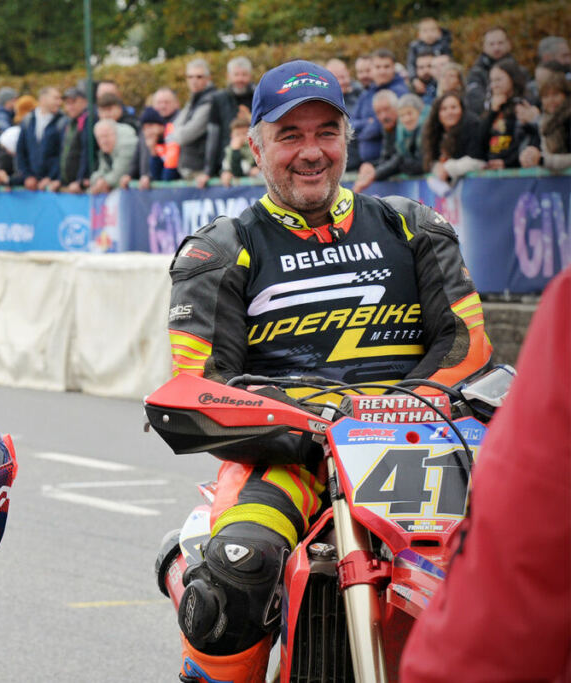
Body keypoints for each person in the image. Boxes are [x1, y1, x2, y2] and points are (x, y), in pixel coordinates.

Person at [164, 59, 492, 683]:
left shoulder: (413, 225)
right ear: (256, 146)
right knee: (238, 569)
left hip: (422, 449)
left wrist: (387, 412)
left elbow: (468, 348)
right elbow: (202, 382)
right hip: (289, 458)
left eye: (326, 133)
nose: (311, 152)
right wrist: (313, 421)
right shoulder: (219, 248)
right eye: (290, 135)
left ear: (347, 138)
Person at [399, 266, 571, 683]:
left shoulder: (415, 232)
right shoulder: (242, 243)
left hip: (416, 431)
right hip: (287, 447)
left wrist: (396, 406)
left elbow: (464, 344)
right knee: (248, 561)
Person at [353, 91, 425, 192]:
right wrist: (370, 167)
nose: (383, 116)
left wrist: (374, 174)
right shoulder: (387, 128)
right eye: (378, 112)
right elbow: (387, 159)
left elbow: (400, 159)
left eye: (387, 109)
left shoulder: (408, 125)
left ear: (397, 108)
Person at [477, 60, 538, 169]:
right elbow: (479, 141)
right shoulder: (491, 107)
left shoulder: (524, 104)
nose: (494, 85)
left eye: (498, 80)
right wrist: (492, 112)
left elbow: (527, 140)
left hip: (515, 169)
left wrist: (507, 163)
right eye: (491, 81)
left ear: (512, 78)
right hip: (491, 168)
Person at [167, 58, 218, 187]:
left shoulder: (210, 100)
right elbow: (174, 126)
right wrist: (175, 132)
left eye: (199, 77)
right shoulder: (194, 99)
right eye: (190, 77)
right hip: (191, 168)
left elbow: (183, 136)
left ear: (208, 78)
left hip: (202, 170)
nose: (194, 81)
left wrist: (175, 133)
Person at [353, 48, 409, 164]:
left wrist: (362, 135)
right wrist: (368, 122)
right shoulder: (366, 94)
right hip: (365, 164)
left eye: (386, 67)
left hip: (390, 162)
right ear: (372, 69)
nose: (382, 71)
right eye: (378, 67)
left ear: (393, 68)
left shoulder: (400, 92)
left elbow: (381, 126)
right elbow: (350, 123)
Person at [422, 91, 484, 184]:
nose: (449, 112)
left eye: (454, 107)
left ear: (462, 109)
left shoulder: (473, 125)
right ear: (437, 114)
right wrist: (437, 167)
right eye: (444, 109)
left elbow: (478, 160)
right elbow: (430, 161)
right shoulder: (435, 133)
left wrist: (448, 168)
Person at [466, 27, 529, 115]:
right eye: (491, 44)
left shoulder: (521, 71)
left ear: (509, 44)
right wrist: (492, 105)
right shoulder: (476, 73)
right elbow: (474, 100)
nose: (496, 48)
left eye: (500, 43)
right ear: (484, 46)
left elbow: (529, 96)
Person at [517, 73, 571, 171]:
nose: (551, 100)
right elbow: (545, 155)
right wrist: (530, 156)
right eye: (546, 96)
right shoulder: (545, 122)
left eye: (555, 94)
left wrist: (541, 160)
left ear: (566, 96)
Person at [15, 86, 65, 191]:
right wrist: (28, 176)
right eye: (56, 98)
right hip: (32, 185)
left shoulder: (62, 121)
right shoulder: (28, 120)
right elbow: (21, 151)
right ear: (43, 99)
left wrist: (51, 177)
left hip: (53, 186)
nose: (60, 102)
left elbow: (62, 154)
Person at [325, 58, 364, 171]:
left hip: (359, 164)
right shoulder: (321, 103)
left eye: (344, 77)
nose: (341, 82)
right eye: (337, 78)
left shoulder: (361, 95)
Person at [87, 118, 137, 194]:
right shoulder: (105, 151)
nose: (104, 141)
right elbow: (102, 171)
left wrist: (103, 182)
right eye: (100, 137)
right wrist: (98, 181)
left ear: (115, 134)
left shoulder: (126, 145)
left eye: (106, 136)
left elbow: (118, 175)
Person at [405, 18, 452, 88]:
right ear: (419, 34)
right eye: (425, 31)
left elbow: (449, 63)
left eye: (433, 30)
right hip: (421, 79)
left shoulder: (443, 45)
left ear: (439, 32)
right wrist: (414, 79)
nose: (429, 34)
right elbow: (410, 64)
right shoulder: (415, 47)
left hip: (439, 78)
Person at [219, 115, 259, 185]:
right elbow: (233, 170)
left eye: (244, 134)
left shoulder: (255, 149)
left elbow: (241, 172)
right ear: (231, 135)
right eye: (237, 134)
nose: (241, 138)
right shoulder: (229, 150)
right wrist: (225, 172)